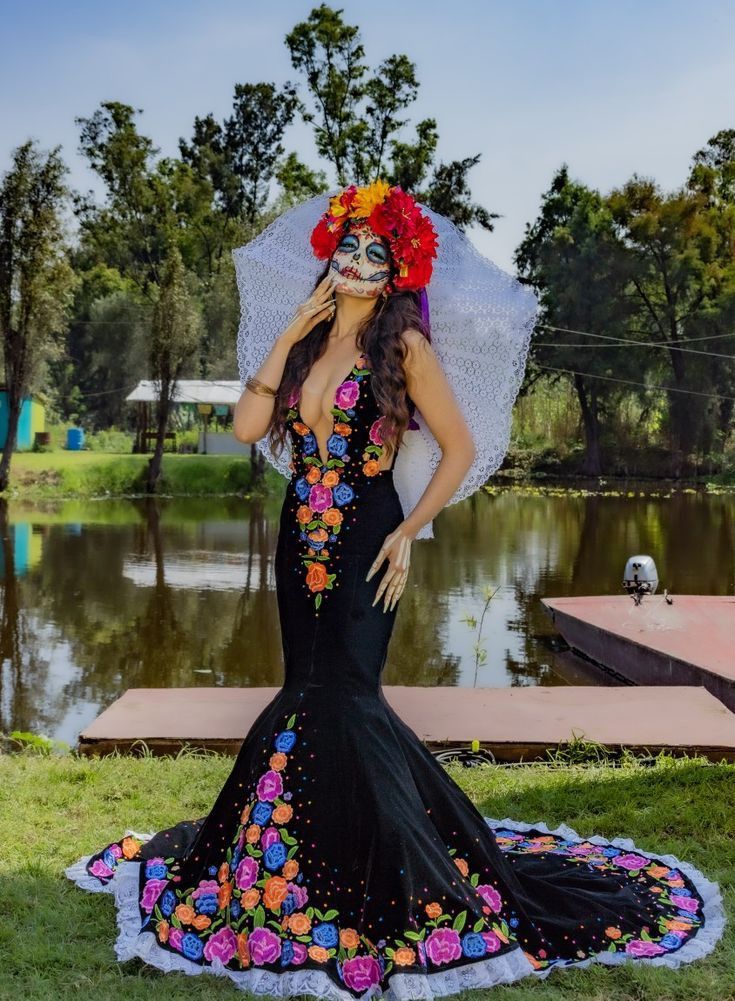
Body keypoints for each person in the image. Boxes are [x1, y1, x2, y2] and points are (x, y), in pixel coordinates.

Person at [66, 181, 724, 999]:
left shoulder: (404, 344)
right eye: (349, 247)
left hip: (368, 539)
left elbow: (457, 447)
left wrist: (409, 530)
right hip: (296, 536)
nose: (359, 262)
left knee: (346, 696)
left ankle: (378, 869)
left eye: (378, 253)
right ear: (329, 253)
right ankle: (300, 860)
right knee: (304, 691)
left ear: (398, 266)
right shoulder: (302, 342)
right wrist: (290, 336)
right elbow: (245, 428)